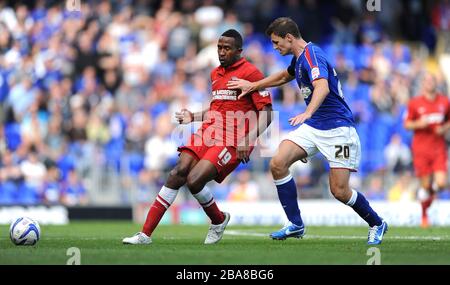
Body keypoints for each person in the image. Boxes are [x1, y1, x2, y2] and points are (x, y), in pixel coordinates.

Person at [227, 17, 387, 245]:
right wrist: (254, 85)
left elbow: (321, 86)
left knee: (340, 191)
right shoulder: (299, 58)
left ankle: (377, 223)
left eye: (276, 42)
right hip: (314, 127)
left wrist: (308, 113)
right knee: (278, 163)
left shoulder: (312, 56)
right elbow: (284, 76)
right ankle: (295, 224)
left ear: (289, 38)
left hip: (338, 129)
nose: (274, 47)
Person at [122, 29, 273, 245]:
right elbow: (216, 109)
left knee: (194, 181)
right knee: (178, 172)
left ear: (239, 51)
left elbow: (267, 113)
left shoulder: (252, 74)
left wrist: (248, 139)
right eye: (219, 47)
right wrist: (193, 117)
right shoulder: (215, 74)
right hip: (209, 131)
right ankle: (145, 235)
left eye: (227, 48)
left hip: (233, 139)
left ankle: (218, 220)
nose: (222, 52)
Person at [404, 73, 450, 228]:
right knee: (425, 186)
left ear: (436, 83)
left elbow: (448, 120)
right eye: (427, 80)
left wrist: (444, 127)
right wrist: (419, 124)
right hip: (421, 150)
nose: (429, 83)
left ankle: (426, 200)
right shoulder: (415, 103)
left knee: (441, 183)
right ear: (423, 83)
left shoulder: (444, 101)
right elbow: (407, 124)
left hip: (438, 149)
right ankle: (424, 214)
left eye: (432, 80)